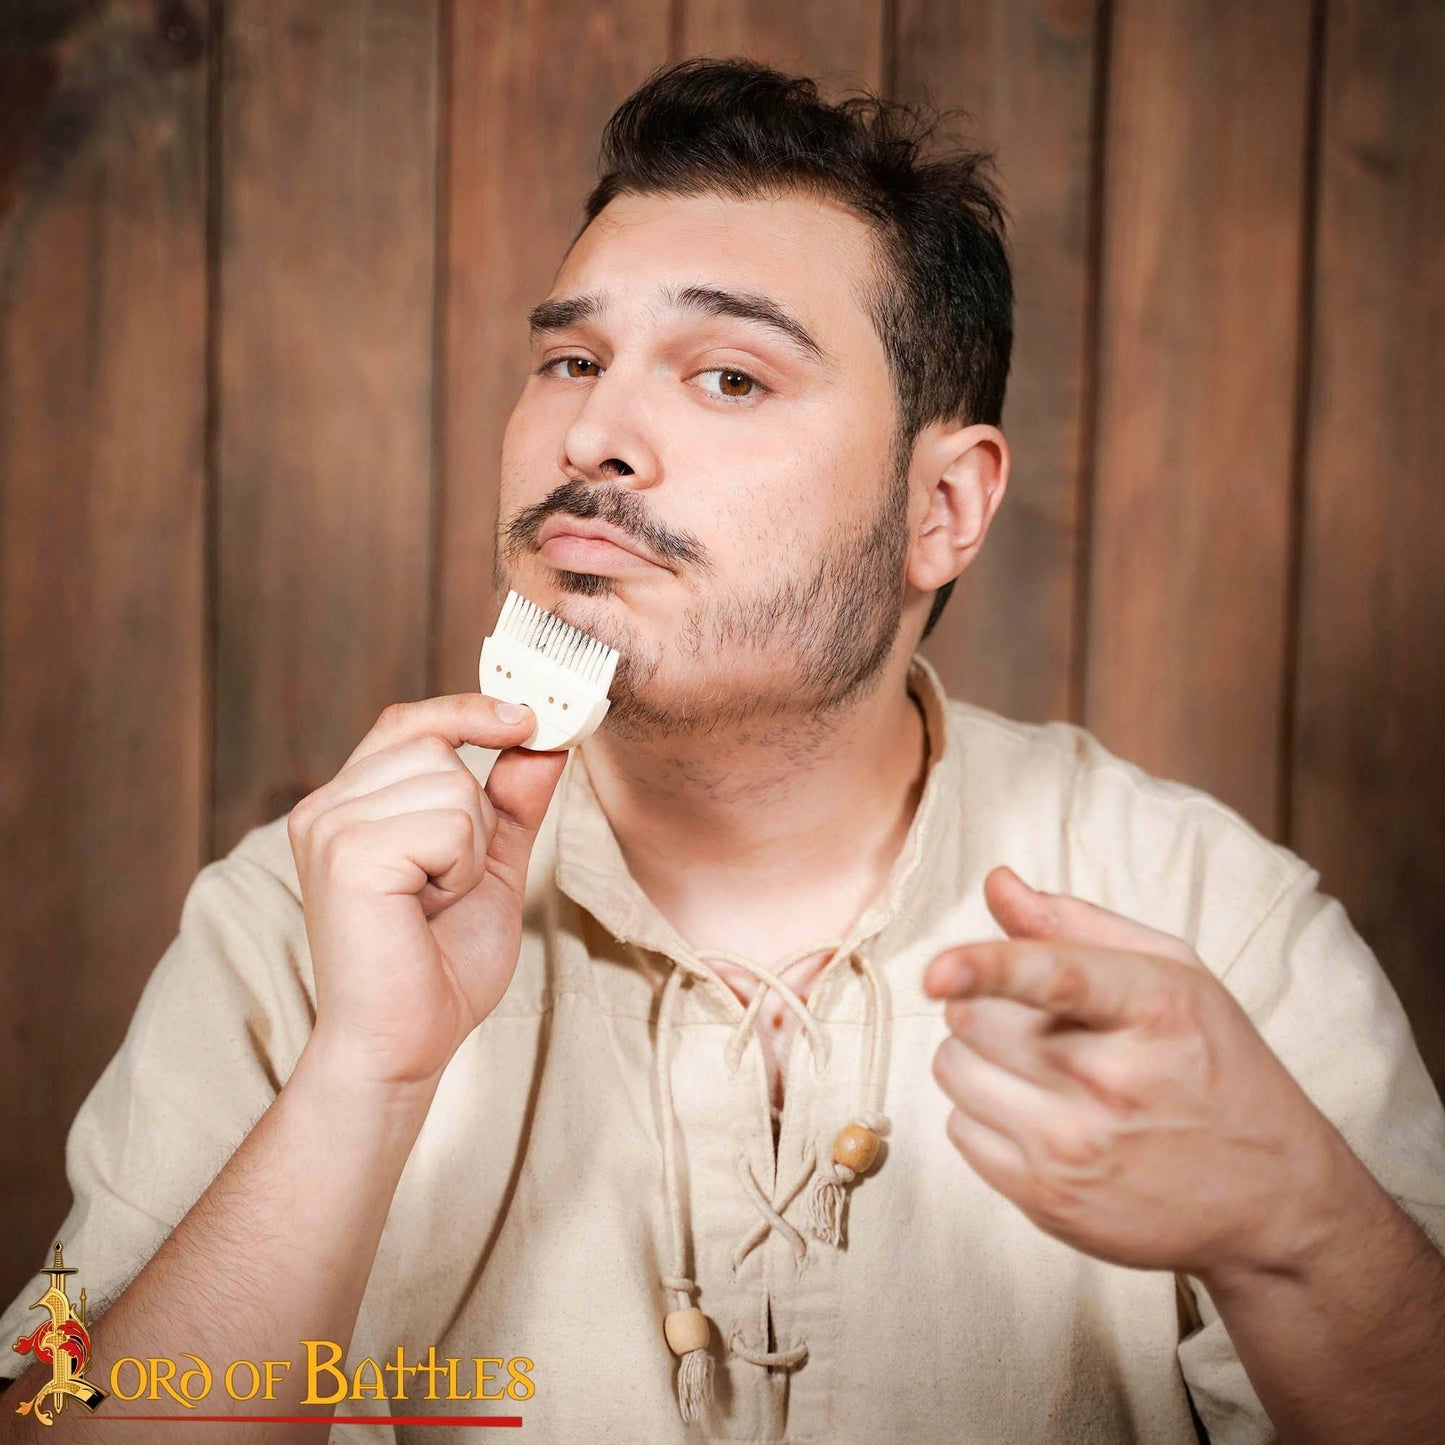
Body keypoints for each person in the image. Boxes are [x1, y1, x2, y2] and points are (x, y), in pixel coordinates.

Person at [2, 56, 1443, 1445]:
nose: (594, 431)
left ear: (943, 504)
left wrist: (1297, 1230)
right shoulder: (292, 918)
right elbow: (45, 1399)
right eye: (570, 357)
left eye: (730, 377)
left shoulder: (1212, 924)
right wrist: (358, 1077)